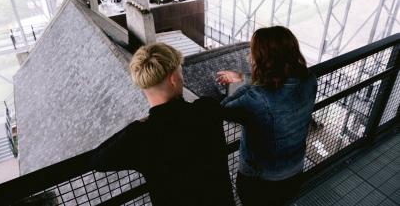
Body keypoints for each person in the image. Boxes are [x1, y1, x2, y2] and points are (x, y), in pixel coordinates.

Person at [90, 42, 245, 206]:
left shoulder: (139, 136)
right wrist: (243, 77)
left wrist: (137, 124)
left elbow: (97, 160)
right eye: (180, 73)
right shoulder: (207, 109)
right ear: (173, 79)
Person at [216, 26, 318, 206]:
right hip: (294, 169)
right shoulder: (309, 79)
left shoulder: (259, 98)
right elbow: (277, 83)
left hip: (261, 180)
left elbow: (224, 110)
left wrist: (250, 82)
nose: (250, 57)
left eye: (254, 53)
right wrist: (243, 76)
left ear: (266, 60)